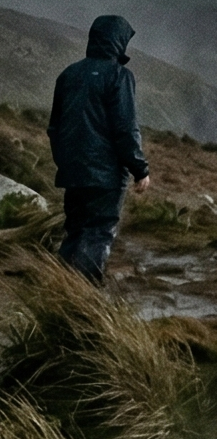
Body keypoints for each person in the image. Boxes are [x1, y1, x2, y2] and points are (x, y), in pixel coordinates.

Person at [48, 14, 151, 281]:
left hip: (73, 172)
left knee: (76, 230)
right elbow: (125, 129)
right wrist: (140, 169)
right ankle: (84, 296)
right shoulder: (119, 76)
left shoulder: (68, 74)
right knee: (98, 233)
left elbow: (54, 128)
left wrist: (65, 161)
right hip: (105, 175)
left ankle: (59, 290)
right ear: (118, 41)